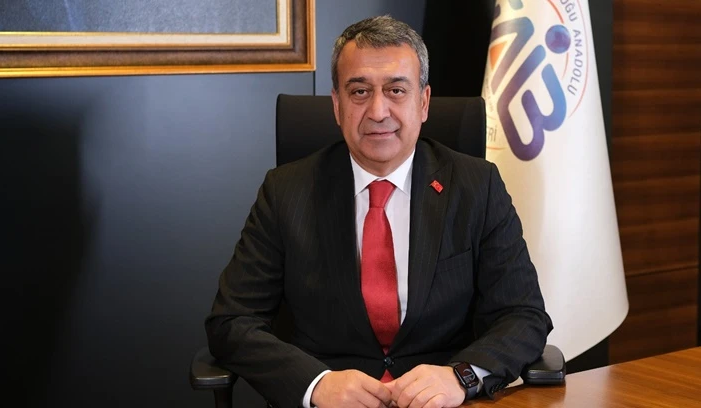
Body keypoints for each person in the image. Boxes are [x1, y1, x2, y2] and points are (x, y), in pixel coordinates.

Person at [206, 15, 552, 408]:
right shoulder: (286, 191)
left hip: (441, 400)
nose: (377, 110)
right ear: (337, 105)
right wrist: (316, 384)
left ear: (423, 102)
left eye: (396, 90)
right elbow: (231, 321)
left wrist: (462, 376)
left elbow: (523, 315)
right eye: (359, 92)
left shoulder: (477, 186)